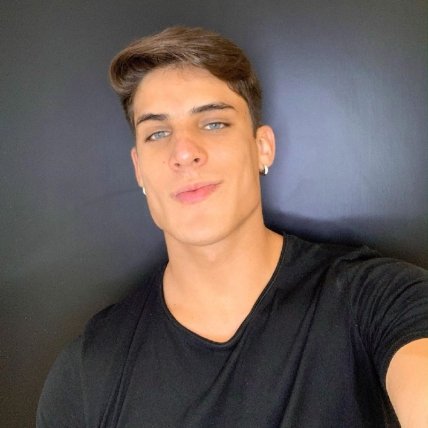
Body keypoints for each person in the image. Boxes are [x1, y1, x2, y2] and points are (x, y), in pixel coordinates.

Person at [37, 26, 428, 427]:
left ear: (262, 148)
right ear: (139, 169)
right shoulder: (87, 372)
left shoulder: (378, 300)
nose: (184, 152)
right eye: (158, 133)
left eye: (213, 123)